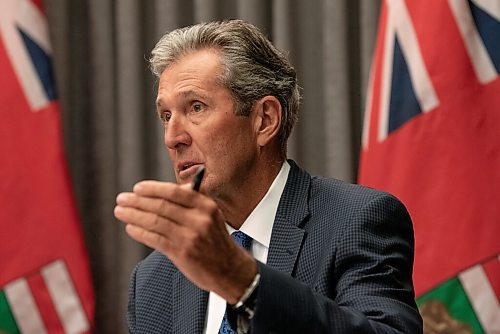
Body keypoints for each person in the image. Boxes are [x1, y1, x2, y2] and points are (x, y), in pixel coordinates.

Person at [114, 19, 422, 334]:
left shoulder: (355, 221)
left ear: (264, 120)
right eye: (166, 116)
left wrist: (243, 283)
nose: (172, 137)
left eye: (195, 108)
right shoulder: (154, 280)